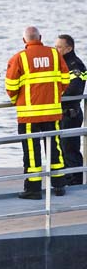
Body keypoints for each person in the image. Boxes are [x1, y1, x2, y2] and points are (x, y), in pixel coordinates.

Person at [6, 26, 69, 199]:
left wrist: (16, 101)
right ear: (40, 37)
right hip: (53, 112)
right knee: (55, 148)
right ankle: (59, 185)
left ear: (24, 40)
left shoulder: (20, 58)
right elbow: (65, 80)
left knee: (32, 153)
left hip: (29, 114)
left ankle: (33, 190)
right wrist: (55, 96)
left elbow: (11, 86)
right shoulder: (55, 54)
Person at [55, 34, 86, 185]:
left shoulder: (76, 65)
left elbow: (74, 89)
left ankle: (76, 181)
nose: (56, 49)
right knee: (61, 150)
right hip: (60, 114)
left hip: (70, 114)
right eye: (55, 46)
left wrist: (54, 95)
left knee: (70, 150)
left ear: (69, 48)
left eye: (59, 47)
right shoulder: (60, 63)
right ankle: (66, 179)